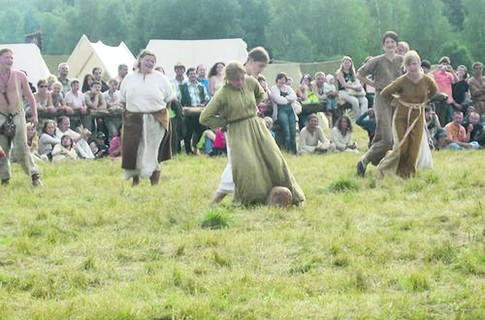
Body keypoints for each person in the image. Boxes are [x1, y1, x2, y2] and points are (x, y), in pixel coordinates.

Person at [200, 61, 305, 205]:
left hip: (257, 126)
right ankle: (250, 199)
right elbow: (205, 117)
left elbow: (261, 95)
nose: (240, 82)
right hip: (237, 132)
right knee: (244, 165)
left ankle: (290, 194)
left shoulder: (250, 82)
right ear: (228, 79)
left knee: (274, 159)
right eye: (236, 80)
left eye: (241, 78)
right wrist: (225, 122)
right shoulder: (222, 94)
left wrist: (253, 107)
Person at [376, 50, 438, 179]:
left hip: (417, 116)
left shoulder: (427, 80)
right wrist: (396, 100)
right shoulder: (402, 80)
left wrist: (424, 101)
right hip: (401, 116)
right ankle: (385, 168)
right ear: (405, 66)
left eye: (414, 64)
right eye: (409, 65)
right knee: (402, 147)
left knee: (414, 148)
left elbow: (434, 91)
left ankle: (408, 175)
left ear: (419, 64)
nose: (412, 67)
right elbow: (385, 93)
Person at [119, 49, 176, 186]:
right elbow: (123, 100)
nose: (150, 63)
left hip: (156, 120)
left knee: (154, 150)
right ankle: (135, 180)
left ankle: (154, 183)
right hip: (134, 120)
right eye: (147, 60)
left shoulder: (160, 78)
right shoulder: (129, 78)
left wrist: (160, 113)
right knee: (135, 150)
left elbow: (169, 98)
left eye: (153, 61)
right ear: (140, 60)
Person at [355, 31, 404, 177]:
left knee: (393, 138)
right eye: (387, 42)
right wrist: (374, 84)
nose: (390, 45)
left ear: (396, 44)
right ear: (383, 45)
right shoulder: (377, 60)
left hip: (397, 100)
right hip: (382, 98)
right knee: (387, 138)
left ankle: (385, 166)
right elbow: (359, 74)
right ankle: (365, 160)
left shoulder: (402, 60)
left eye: (392, 42)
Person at [0, 48, 42, 187]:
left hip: (17, 113)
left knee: (21, 147)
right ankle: (5, 178)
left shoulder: (20, 75)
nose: (10, 60)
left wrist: (35, 115)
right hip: (1, 116)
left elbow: (30, 96)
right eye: (7, 58)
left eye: (11, 58)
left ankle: (34, 176)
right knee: (2, 149)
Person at [180, 67, 210, 154]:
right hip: (188, 113)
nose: (193, 75)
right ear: (187, 76)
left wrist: (204, 103)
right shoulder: (183, 87)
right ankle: (188, 151)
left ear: (196, 74)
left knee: (200, 131)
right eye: (190, 74)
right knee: (188, 133)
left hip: (200, 112)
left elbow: (207, 98)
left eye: (194, 74)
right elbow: (179, 99)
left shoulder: (201, 86)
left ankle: (199, 150)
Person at [270, 72, 298, 154]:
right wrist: (288, 99)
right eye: (280, 79)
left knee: (293, 131)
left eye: (283, 79)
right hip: (281, 111)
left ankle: (294, 151)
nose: (282, 81)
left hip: (290, 111)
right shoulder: (274, 88)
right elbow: (278, 100)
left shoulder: (288, 88)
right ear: (277, 80)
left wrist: (286, 98)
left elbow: (294, 96)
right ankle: (287, 150)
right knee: (287, 132)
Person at [336, 56, 368, 120]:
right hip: (343, 91)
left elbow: (357, 81)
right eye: (345, 63)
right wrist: (354, 87)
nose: (347, 64)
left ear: (351, 64)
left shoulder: (352, 72)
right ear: (342, 64)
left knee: (364, 101)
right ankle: (357, 119)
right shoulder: (340, 73)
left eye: (348, 63)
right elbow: (344, 84)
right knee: (355, 101)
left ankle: (363, 117)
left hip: (354, 91)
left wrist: (359, 87)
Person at [432, 56, 458, 124]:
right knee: (436, 114)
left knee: (445, 116)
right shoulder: (435, 73)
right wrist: (437, 68)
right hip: (437, 97)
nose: (444, 65)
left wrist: (452, 71)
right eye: (443, 63)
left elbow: (456, 81)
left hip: (447, 98)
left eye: (446, 64)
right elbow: (428, 75)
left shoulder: (449, 74)